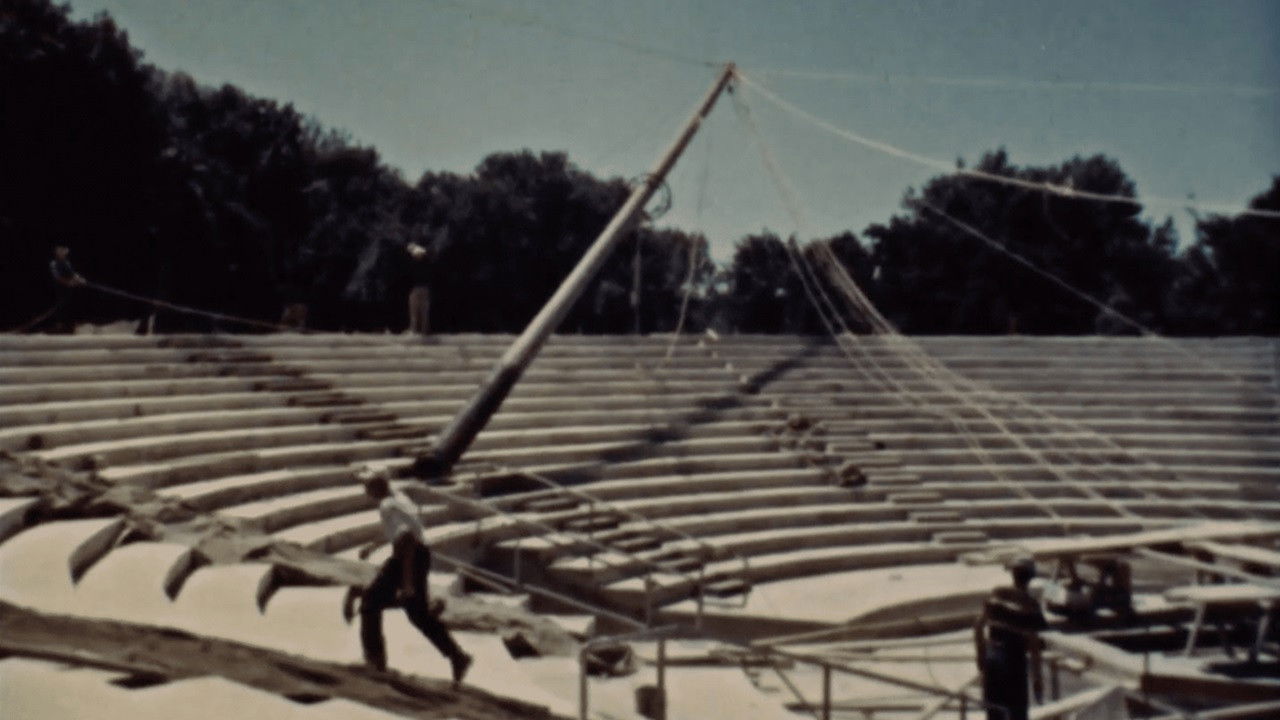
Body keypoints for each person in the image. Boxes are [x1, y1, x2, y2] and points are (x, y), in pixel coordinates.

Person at [346, 465, 472, 683]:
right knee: (418, 614)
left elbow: (406, 540)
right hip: (417, 556)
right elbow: (401, 530)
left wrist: (407, 583)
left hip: (407, 558)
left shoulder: (387, 505)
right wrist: (373, 545)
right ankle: (457, 656)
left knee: (370, 602)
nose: (364, 488)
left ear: (376, 485)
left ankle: (374, 662)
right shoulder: (398, 498)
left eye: (366, 484)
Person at [974, 557, 1048, 720]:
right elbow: (1034, 646)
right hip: (1014, 662)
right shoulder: (1030, 605)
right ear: (1030, 578)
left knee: (994, 713)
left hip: (993, 660)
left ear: (1013, 575)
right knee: (1017, 714)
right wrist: (1037, 680)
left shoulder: (997, 594)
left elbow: (978, 627)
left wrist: (980, 656)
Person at [44, 245, 86, 333]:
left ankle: (72, 325)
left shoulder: (67, 262)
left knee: (71, 306)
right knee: (61, 306)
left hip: (69, 288)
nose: (63, 253)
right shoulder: (54, 263)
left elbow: (73, 273)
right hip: (60, 288)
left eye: (64, 251)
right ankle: (59, 326)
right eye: (60, 251)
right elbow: (57, 277)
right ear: (56, 253)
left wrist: (80, 279)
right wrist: (68, 283)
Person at [406, 242, 431, 335]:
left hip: (417, 288)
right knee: (424, 310)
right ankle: (424, 329)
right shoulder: (426, 262)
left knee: (414, 309)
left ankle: (414, 329)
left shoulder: (415, 260)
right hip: (425, 287)